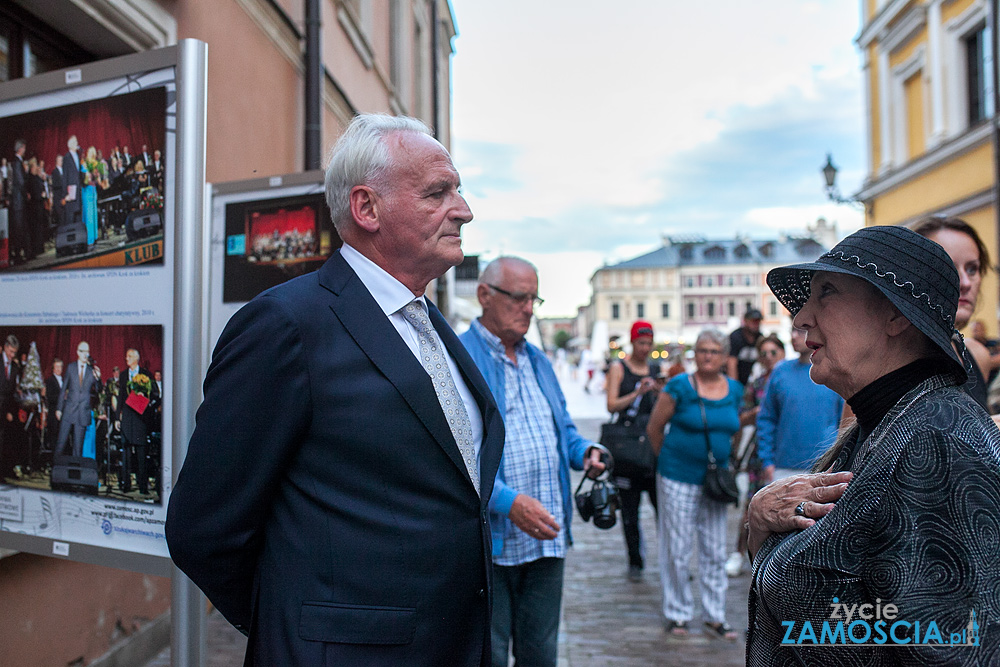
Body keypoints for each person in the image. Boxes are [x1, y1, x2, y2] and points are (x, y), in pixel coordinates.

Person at [166, 113, 505, 666]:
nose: (463, 210)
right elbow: (203, 528)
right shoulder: (286, 325)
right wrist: (305, 630)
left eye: (459, 191)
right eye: (438, 192)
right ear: (367, 208)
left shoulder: (429, 321)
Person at [746, 225, 1000, 665]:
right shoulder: (886, 425)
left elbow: (949, 645)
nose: (801, 316)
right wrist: (761, 528)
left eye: (826, 292)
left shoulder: (936, 442)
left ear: (895, 316)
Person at [460, 257, 605, 667]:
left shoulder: (539, 359)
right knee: (488, 650)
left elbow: (564, 431)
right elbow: (455, 453)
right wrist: (507, 502)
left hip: (547, 534)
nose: (529, 308)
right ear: (484, 295)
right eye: (520, 298)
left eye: (534, 299)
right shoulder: (460, 358)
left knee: (541, 652)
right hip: (491, 539)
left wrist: (586, 453)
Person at [647, 328, 742, 641]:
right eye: (702, 350)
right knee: (677, 547)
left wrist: (728, 462)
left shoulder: (734, 389)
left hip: (714, 481)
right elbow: (655, 429)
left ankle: (715, 616)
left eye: (714, 351)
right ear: (695, 353)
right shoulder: (679, 386)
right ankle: (678, 612)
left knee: (715, 548)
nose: (707, 356)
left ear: (723, 355)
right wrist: (671, 463)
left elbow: (734, 429)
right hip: (677, 476)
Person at [910, 217, 1000, 408]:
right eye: (947, 268)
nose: (965, 283)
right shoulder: (881, 363)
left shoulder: (976, 355)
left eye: (972, 269)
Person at [604, 319, 662, 581]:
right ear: (632, 341)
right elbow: (611, 405)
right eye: (641, 343)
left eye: (648, 343)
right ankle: (635, 560)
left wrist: (661, 391)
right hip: (627, 448)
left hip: (650, 446)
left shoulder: (654, 367)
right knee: (629, 509)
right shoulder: (619, 368)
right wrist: (637, 392)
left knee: (662, 508)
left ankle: (669, 559)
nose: (645, 348)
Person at [725, 333, 784, 578]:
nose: (768, 357)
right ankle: (740, 552)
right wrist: (759, 413)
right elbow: (740, 417)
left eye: (773, 352)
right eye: (764, 353)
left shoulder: (790, 378)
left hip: (785, 451)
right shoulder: (758, 384)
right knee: (752, 504)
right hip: (759, 452)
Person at [756, 327, 843, 481]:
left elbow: (845, 422)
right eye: (792, 331)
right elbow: (767, 418)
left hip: (826, 467)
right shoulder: (780, 372)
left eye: (801, 331)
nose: (794, 336)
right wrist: (767, 462)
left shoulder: (834, 372)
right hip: (783, 468)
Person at [115, 349, 158, 495]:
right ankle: (126, 485)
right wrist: (116, 418)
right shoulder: (122, 375)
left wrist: (144, 399)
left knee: (141, 453)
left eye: (129, 356)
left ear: (136, 359)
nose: (126, 358)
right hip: (127, 418)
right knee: (126, 453)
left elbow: (155, 395)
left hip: (140, 419)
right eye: (126, 356)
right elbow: (120, 397)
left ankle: (143, 486)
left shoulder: (146, 375)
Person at [55, 341, 100, 458]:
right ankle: (56, 471)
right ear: (78, 352)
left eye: (87, 351)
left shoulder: (91, 370)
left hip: (82, 413)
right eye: (83, 351)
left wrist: (98, 379)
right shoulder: (71, 367)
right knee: (61, 443)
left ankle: (75, 473)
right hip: (69, 411)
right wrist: (59, 409)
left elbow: (99, 390)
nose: (86, 354)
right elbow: (63, 389)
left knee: (78, 449)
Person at [0, 335, 21, 479]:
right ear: (6, 347)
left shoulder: (14, 367)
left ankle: (5, 471)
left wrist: (9, 411)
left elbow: (12, 391)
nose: (12, 355)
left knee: (5, 440)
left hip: (6, 408)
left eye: (15, 352)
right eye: (11, 351)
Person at [727, 308, 763, 385]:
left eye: (758, 321)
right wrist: (734, 386)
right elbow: (731, 363)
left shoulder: (760, 338)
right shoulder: (736, 337)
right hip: (737, 379)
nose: (756, 324)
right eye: (753, 321)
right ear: (745, 321)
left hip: (752, 381)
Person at [10, 140, 27, 264]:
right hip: (18, 202)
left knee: (20, 229)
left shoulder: (17, 162)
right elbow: (20, 182)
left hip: (19, 201)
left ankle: (19, 255)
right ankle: (17, 256)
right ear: (20, 148)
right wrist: (26, 193)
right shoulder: (17, 162)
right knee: (18, 229)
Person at [44, 358, 64, 452]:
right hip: (53, 413)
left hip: (63, 413)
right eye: (57, 367)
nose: (58, 369)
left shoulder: (64, 381)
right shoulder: (49, 381)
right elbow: (50, 397)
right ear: (53, 368)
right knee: (53, 438)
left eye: (60, 366)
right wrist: (62, 397)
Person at [63, 135, 82, 229]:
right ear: (71, 145)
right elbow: (65, 177)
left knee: (78, 215)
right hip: (71, 191)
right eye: (75, 142)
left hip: (78, 190)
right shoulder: (66, 157)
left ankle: (79, 240)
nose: (77, 144)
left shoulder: (78, 156)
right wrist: (65, 194)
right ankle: (71, 241)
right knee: (71, 216)